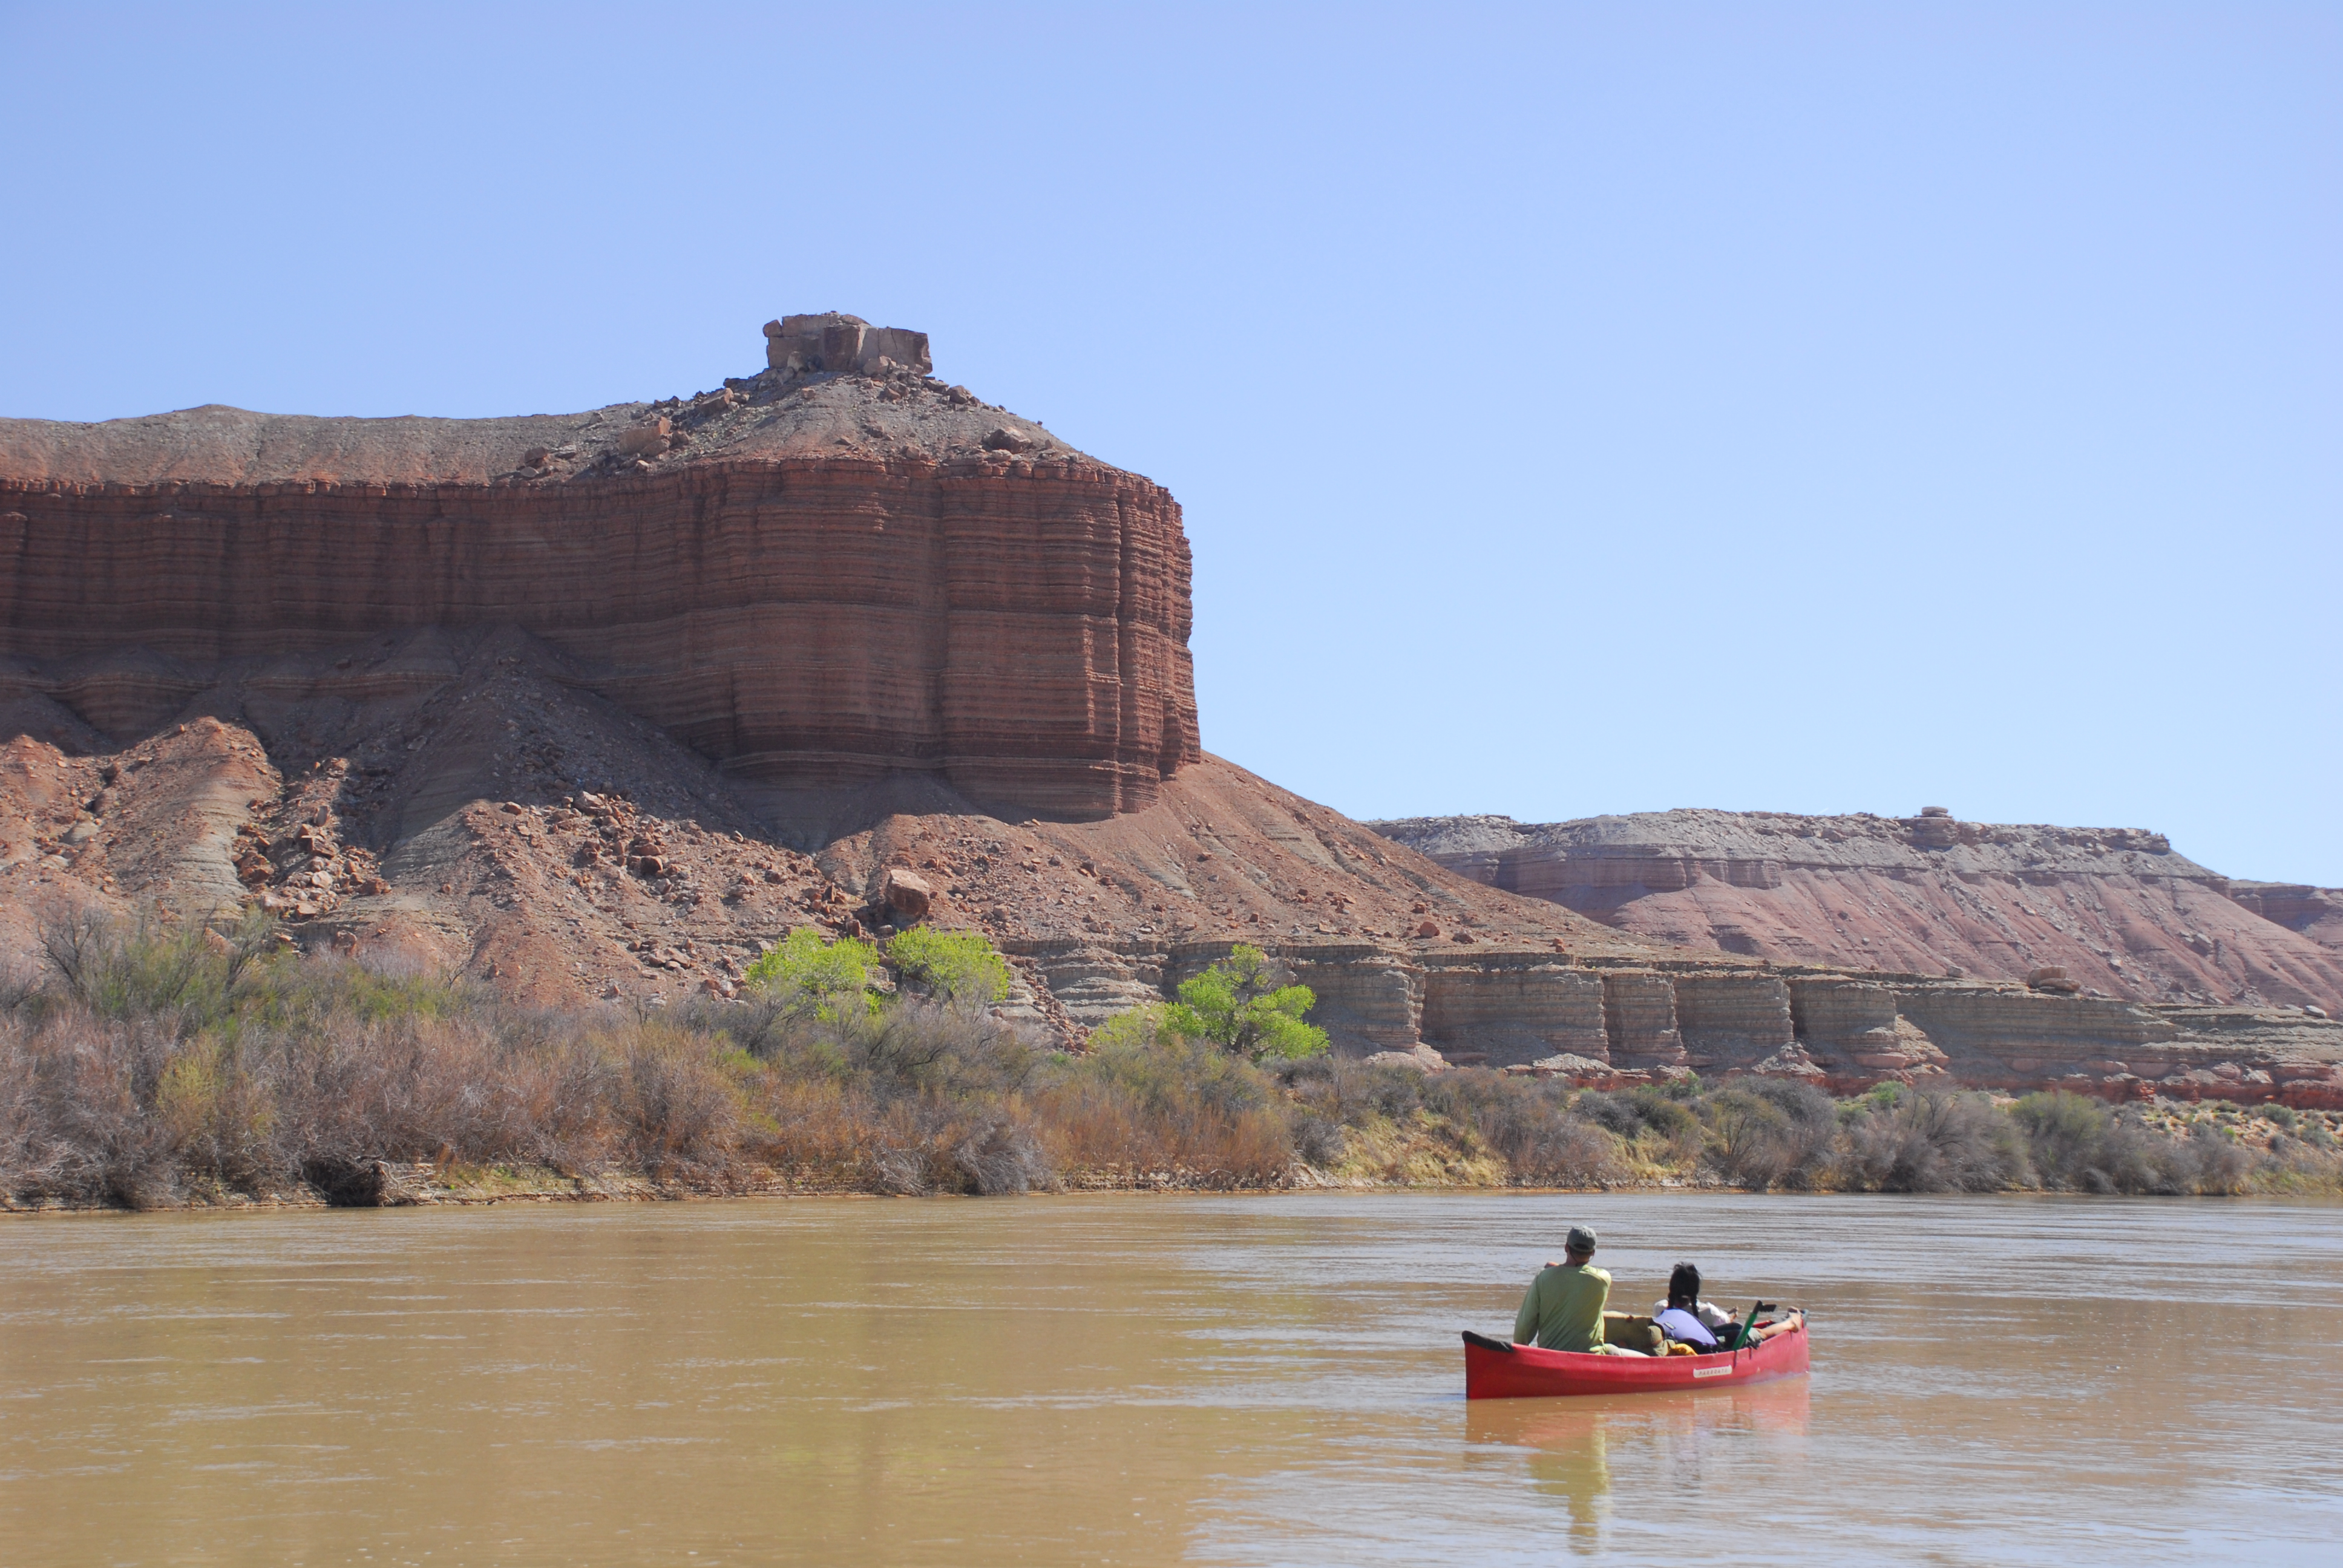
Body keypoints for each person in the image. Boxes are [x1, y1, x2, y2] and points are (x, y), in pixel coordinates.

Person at [1513, 1226, 1648, 1356]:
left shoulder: (1543, 1278)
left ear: (1566, 1247)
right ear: (1593, 1253)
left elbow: (1523, 1328)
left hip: (1550, 1356)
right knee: (1616, 1350)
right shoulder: (1602, 1279)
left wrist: (1523, 1353)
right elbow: (1578, 1274)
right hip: (1591, 1357)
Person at [1652, 1263, 1722, 1352]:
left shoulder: (1660, 1308)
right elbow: (1724, 1321)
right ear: (1695, 1291)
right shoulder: (1709, 1312)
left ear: (1671, 1288)